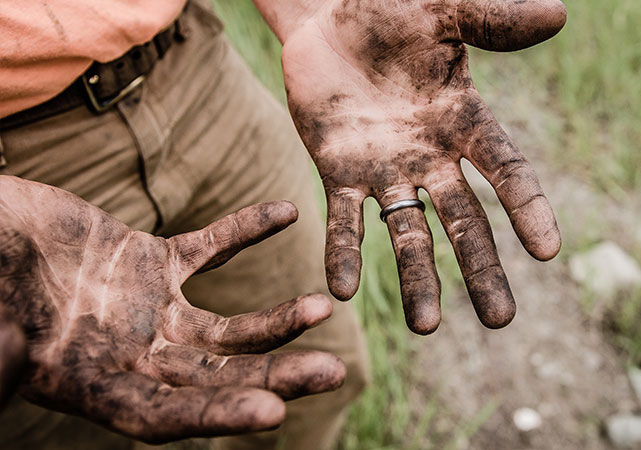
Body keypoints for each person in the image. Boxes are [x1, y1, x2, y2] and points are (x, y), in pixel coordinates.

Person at [0, 0, 566, 448]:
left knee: (314, 378)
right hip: (19, 164)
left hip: (190, 68)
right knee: (64, 422)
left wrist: (308, 9)